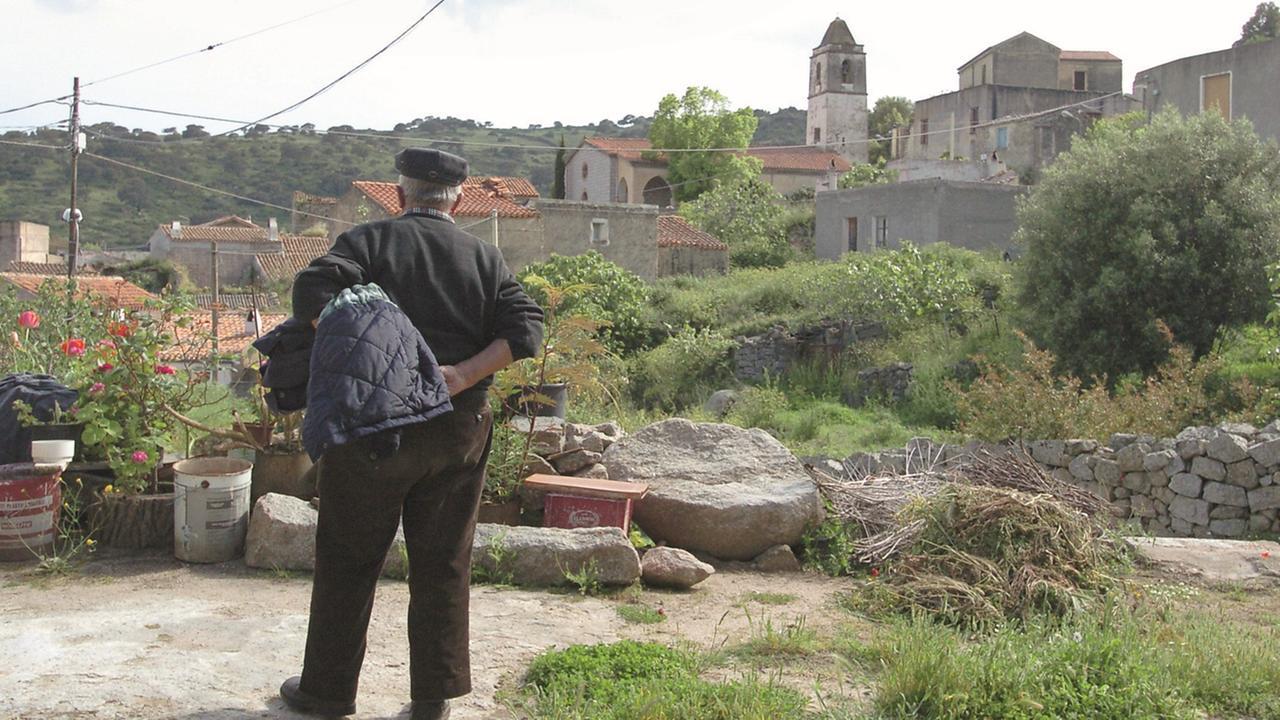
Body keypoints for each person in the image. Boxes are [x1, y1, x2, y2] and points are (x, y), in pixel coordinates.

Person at [279, 148, 544, 720]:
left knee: (348, 557)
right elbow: (525, 330)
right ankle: (433, 698)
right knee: (445, 559)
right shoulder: (484, 258)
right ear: (457, 200)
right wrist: (462, 375)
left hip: (374, 426)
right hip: (458, 429)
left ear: (399, 196)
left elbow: (311, 295)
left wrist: (375, 359)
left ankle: (326, 694)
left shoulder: (368, 243)